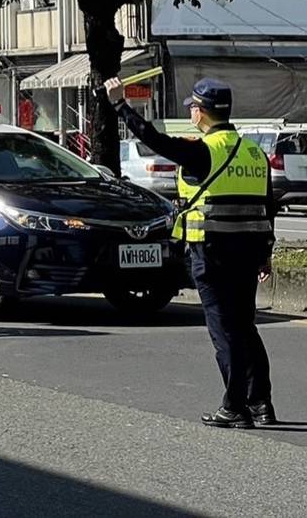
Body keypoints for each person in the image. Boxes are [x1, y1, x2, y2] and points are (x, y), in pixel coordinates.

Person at [104, 76, 276, 428]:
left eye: (193, 108)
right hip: (248, 251)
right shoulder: (254, 152)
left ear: (202, 112)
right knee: (245, 328)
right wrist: (265, 253)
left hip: (212, 252)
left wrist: (121, 105)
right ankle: (261, 404)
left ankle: (235, 406)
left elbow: (155, 140)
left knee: (223, 331)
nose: (192, 114)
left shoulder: (204, 151)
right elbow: (266, 206)